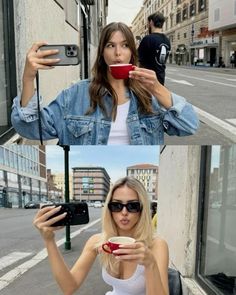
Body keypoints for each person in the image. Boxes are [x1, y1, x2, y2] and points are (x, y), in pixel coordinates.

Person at [11, 22, 198, 145]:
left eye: (125, 45)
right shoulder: (75, 94)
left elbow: (189, 125)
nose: (118, 53)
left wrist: (157, 88)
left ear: (132, 53)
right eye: (110, 45)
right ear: (102, 53)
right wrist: (28, 78)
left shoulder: (149, 96)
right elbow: (29, 127)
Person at [33, 176, 169, 295]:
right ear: (109, 209)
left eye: (133, 206)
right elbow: (69, 287)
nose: (124, 212)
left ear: (142, 209)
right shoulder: (98, 241)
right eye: (116, 205)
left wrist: (150, 264)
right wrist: (49, 240)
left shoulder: (156, 245)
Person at [138, 12, 171, 85]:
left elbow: (138, 60)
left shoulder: (147, 39)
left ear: (151, 22)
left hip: (147, 80)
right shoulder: (167, 40)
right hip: (160, 80)